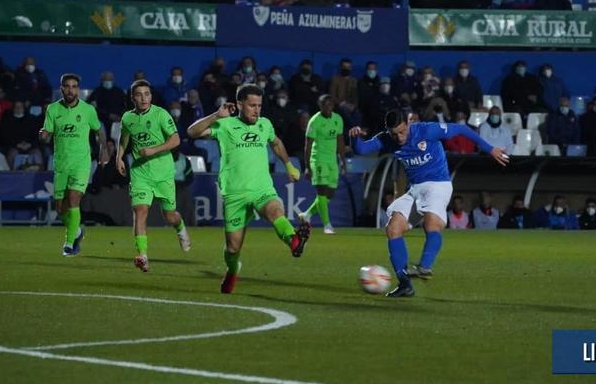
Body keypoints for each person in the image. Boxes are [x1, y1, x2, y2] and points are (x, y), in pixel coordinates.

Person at [349, 109, 509, 297]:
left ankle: (425, 265)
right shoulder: (387, 139)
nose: (399, 137)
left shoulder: (426, 130)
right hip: (415, 188)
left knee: (431, 224)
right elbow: (361, 149)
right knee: (393, 229)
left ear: (408, 124)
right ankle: (405, 285)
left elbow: (460, 129)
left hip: (437, 184)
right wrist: (354, 137)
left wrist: (490, 149)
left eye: (402, 131)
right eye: (395, 134)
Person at [188, 84, 311, 294]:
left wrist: (289, 165)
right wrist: (216, 115)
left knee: (275, 210)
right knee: (233, 248)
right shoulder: (225, 125)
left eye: (259, 105)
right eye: (252, 105)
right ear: (239, 104)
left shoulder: (265, 124)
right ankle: (233, 270)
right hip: (235, 194)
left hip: (261, 188)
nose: (257, 110)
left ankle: (293, 240)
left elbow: (276, 143)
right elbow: (192, 132)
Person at [116, 80, 191, 273]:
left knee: (170, 216)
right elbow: (124, 139)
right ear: (133, 98)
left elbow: (175, 139)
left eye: (147, 94)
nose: (143, 98)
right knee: (140, 211)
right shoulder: (127, 118)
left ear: (151, 96)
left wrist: (154, 150)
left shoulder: (160, 114)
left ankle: (180, 227)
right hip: (140, 173)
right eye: (139, 95)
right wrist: (119, 157)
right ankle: (143, 255)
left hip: (163, 173)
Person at [39, 74, 108, 257]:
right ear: (61, 88)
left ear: (78, 89)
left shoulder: (87, 110)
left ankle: (69, 244)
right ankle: (77, 231)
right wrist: (43, 135)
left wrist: (104, 149)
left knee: (73, 199)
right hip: (61, 164)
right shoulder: (53, 109)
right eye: (67, 86)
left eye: (74, 86)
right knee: (60, 207)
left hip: (81, 163)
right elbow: (46, 132)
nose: (71, 89)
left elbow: (99, 130)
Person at [297, 95, 346, 235]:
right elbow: (308, 145)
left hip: (332, 161)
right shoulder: (314, 121)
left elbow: (340, 141)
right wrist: (307, 166)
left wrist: (342, 161)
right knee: (322, 192)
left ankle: (306, 214)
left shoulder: (338, 119)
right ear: (320, 106)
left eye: (330, 104)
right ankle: (327, 225)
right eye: (325, 104)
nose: (328, 106)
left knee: (330, 193)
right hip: (318, 160)